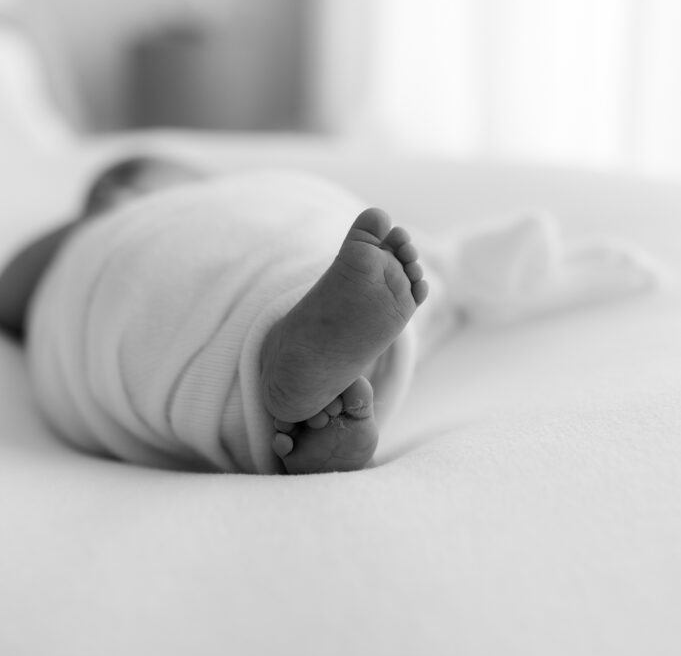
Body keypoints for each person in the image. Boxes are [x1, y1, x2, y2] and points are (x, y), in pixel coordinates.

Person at [0, 152, 658, 476]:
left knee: (158, 344)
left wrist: (74, 240)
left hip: (114, 308)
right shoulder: (138, 216)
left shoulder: (89, 240)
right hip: (240, 247)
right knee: (314, 253)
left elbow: (11, 293)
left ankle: (297, 377)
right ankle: (316, 363)